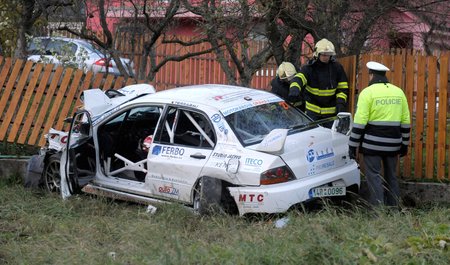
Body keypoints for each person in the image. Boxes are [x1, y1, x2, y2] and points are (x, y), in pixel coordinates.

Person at [348, 61, 411, 207]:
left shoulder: (367, 93)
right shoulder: (398, 92)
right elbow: (406, 121)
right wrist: (404, 144)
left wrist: (352, 146)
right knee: (392, 177)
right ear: (384, 75)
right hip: (393, 145)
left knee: (374, 176)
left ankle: (378, 211)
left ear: (371, 75)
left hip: (372, 145)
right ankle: (393, 208)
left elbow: (360, 123)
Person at [289, 38, 349, 127]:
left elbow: (343, 88)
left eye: (328, 55)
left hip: (331, 114)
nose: (325, 57)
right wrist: (295, 88)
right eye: (323, 55)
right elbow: (299, 78)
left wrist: (340, 103)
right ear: (317, 54)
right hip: (312, 113)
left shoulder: (337, 68)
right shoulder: (309, 68)